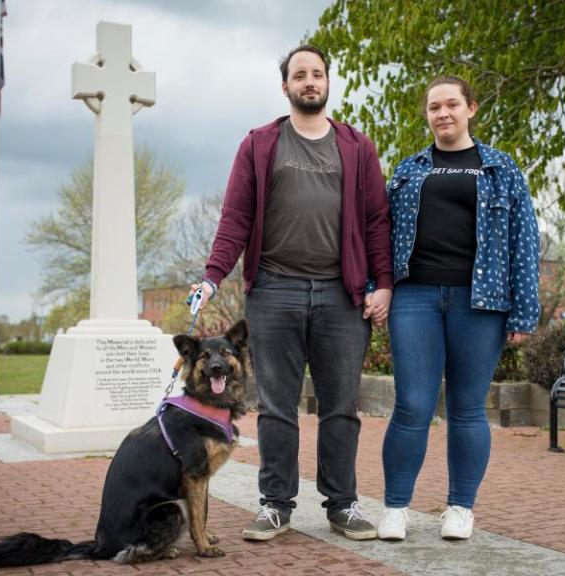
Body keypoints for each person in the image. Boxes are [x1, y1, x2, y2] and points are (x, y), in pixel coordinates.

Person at [189, 45, 393, 542]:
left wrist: (384, 283)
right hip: (274, 292)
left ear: (327, 83)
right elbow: (235, 217)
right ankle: (275, 504)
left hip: (340, 297)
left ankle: (342, 505)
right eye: (299, 75)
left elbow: (375, 221)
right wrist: (213, 275)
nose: (309, 82)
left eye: (317, 74)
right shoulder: (260, 144)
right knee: (277, 407)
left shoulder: (356, 146)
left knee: (340, 406)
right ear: (285, 87)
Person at [377, 75, 540, 541]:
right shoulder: (409, 170)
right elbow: (382, 236)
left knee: (468, 408)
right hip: (416, 298)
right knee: (412, 405)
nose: (442, 113)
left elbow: (524, 241)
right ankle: (395, 508)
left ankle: (460, 507)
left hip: (480, 301)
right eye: (434, 107)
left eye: (451, 104)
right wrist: (378, 286)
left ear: (471, 109)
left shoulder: (501, 168)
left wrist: (523, 312)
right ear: (426, 114)